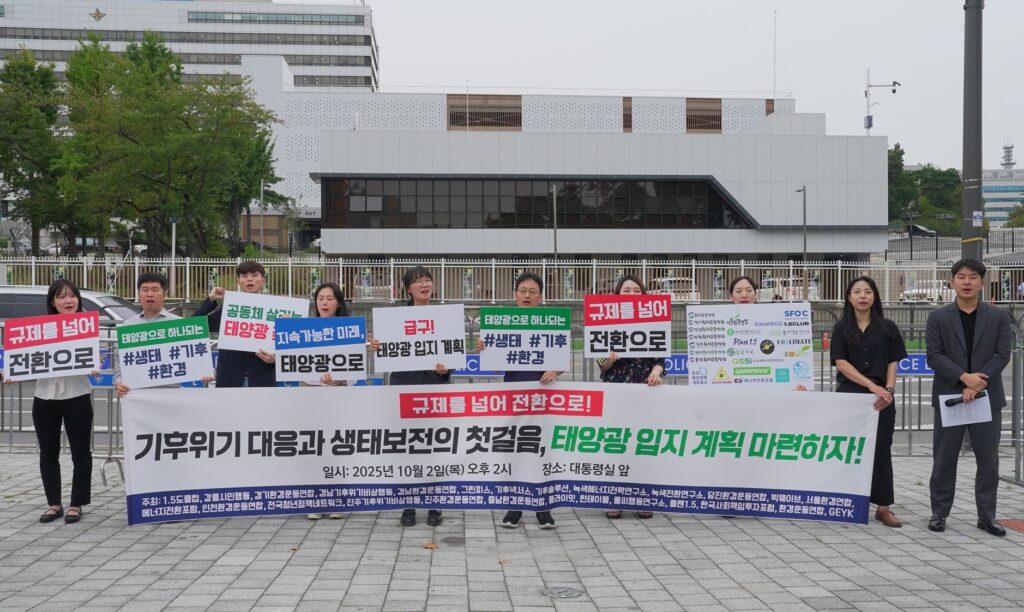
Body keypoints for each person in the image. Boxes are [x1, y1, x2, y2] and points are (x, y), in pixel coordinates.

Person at [926, 258, 1011, 537]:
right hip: (951, 395)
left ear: (982, 282)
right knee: (944, 457)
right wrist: (965, 378)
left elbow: (1002, 354)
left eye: (972, 277)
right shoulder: (938, 317)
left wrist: (977, 384)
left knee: (988, 459)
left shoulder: (998, 316)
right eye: (961, 276)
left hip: (987, 397)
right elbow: (934, 356)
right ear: (952, 282)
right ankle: (939, 513)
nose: (966, 282)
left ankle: (987, 516)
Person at [6, 280, 100, 524]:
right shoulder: (39, 329)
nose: (68, 301)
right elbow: (22, 359)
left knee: (81, 453)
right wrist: (11, 372)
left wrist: (96, 366)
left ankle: (77, 504)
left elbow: (98, 359)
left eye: (72, 296)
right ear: (52, 302)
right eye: (61, 296)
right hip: (44, 397)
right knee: (48, 453)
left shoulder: (88, 327)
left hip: (77, 396)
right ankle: (54, 504)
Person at [476, 272, 560, 529]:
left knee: (542, 451)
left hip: (544, 396)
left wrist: (555, 371)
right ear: (515, 295)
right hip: (514, 396)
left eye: (532, 291)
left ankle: (543, 507)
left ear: (541, 296)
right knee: (515, 449)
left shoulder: (551, 322)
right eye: (522, 290)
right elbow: (493, 367)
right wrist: (484, 350)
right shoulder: (504, 323)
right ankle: (515, 506)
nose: (526, 295)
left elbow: (562, 357)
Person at [829, 276, 907, 528]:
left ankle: (883, 507)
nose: (862, 296)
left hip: (881, 399)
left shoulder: (888, 328)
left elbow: (892, 362)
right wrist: (870, 385)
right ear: (849, 297)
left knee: (881, 450)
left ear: (874, 296)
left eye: (867, 291)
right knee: (848, 449)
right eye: (857, 292)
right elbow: (841, 362)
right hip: (851, 395)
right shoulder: (841, 327)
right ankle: (846, 501)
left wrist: (889, 389)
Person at [597, 274, 666, 520]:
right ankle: (613, 497)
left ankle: (643, 497)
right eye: (627, 290)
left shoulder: (653, 323)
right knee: (616, 444)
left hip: (645, 391)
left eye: (637, 290)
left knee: (643, 443)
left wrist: (656, 372)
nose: (632, 294)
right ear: (617, 295)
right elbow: (601, 366)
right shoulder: (605, 323)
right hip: (615, 391)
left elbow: (660, 361)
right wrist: (610, 358)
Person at [390, 266, 450, 527]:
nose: (424, 285)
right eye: (418, 282)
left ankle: (434, 502)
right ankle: (409, 504)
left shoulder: (444, 317)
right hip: (406, 388)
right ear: (408, 289)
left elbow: (453, 351)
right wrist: (378, 346)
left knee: (435, 447)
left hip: (435, 387)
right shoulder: (396, 318)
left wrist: (447, 367)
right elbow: (385, 350)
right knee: (409, 448)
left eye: (427, 280)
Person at [115, 273, 213, 397]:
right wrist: (118, 382)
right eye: (145, 290)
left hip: (169, 396)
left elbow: (198, 357)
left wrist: (207, 372)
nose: (149, 294)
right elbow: (119, 359)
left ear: (164, 294)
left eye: (155, 290)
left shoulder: (179, 324)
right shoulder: (129, 325)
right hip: (136, 396)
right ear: (139, 294)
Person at [307, 282, 351, 521]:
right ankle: (315, 500)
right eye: (320, 298)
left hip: (338, 396)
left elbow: (356, 370)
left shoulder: (349, 330)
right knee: (312, 448)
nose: (324, 303)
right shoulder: (303, 330)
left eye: (330, 298)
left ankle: (338, 500)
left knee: (337, 448)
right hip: (310, 394)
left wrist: (341, 381)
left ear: (339, 303)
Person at [194, 261, 277, 387]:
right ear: (239, 281)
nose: (249, 279)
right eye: (244, 276)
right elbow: (195, 325)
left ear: (263, 280)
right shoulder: (230, 310)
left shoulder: (275, 309)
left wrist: (275, 359)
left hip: (262, 378)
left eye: (254, 275)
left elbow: (290, 346)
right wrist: (210, 300)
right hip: (230, 378)